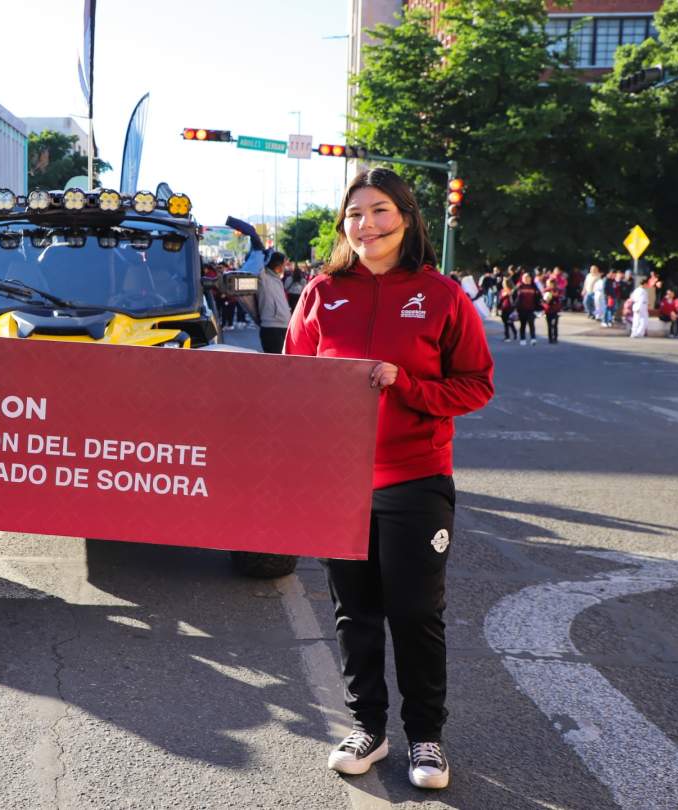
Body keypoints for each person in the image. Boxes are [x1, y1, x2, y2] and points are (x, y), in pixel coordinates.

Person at [287, 168, 493, 791]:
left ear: (405, 217)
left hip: (415, 479)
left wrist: (408, 386)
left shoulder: (442, 295)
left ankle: (426, 737)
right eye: (355, 213)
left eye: (379, 210)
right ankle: (367, 728)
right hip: (339, 480)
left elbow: (476, 385)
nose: (367, 224)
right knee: (354, 612)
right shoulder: (323, 291)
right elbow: (293, 380)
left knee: (415, 612)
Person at [256, 251, 291, 353]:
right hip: (272, 327)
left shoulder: (277, 279)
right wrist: (263, 252)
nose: (285, 267)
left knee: (284, 360)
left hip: (283, 326)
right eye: (284, 264)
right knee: (276, 361)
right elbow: (257, 266)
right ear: (278, 265)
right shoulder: (264, 277)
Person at [512, 272, 542, 345]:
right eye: (525, 278)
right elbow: (513, 296)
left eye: (528, 277)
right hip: (521, 309)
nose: (526, 279)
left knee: (531, 324)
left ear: (530, 279)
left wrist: (539, 304)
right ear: (522, 279)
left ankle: (533, 339)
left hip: (531, 309)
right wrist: (515, 307)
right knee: (523, 324)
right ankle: (522, 339)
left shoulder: (534, 287)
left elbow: (539, 297)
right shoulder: (519, 286)